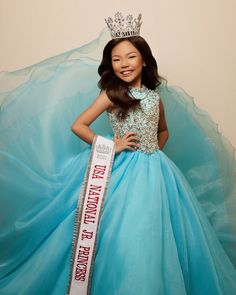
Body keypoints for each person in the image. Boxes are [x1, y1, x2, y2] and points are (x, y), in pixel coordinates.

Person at [0, 12, 236, 295]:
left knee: (156, 234)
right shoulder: (112, 94)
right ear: (110, 65)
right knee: (122, 233)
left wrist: (152, 151)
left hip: (158, 173)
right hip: (121, 172)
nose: (124, 64)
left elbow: (164, 131)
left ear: (144, 59)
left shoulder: (154, 96)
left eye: (131, 57)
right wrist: (112, 146)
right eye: (117, 59)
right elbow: (78, 125)